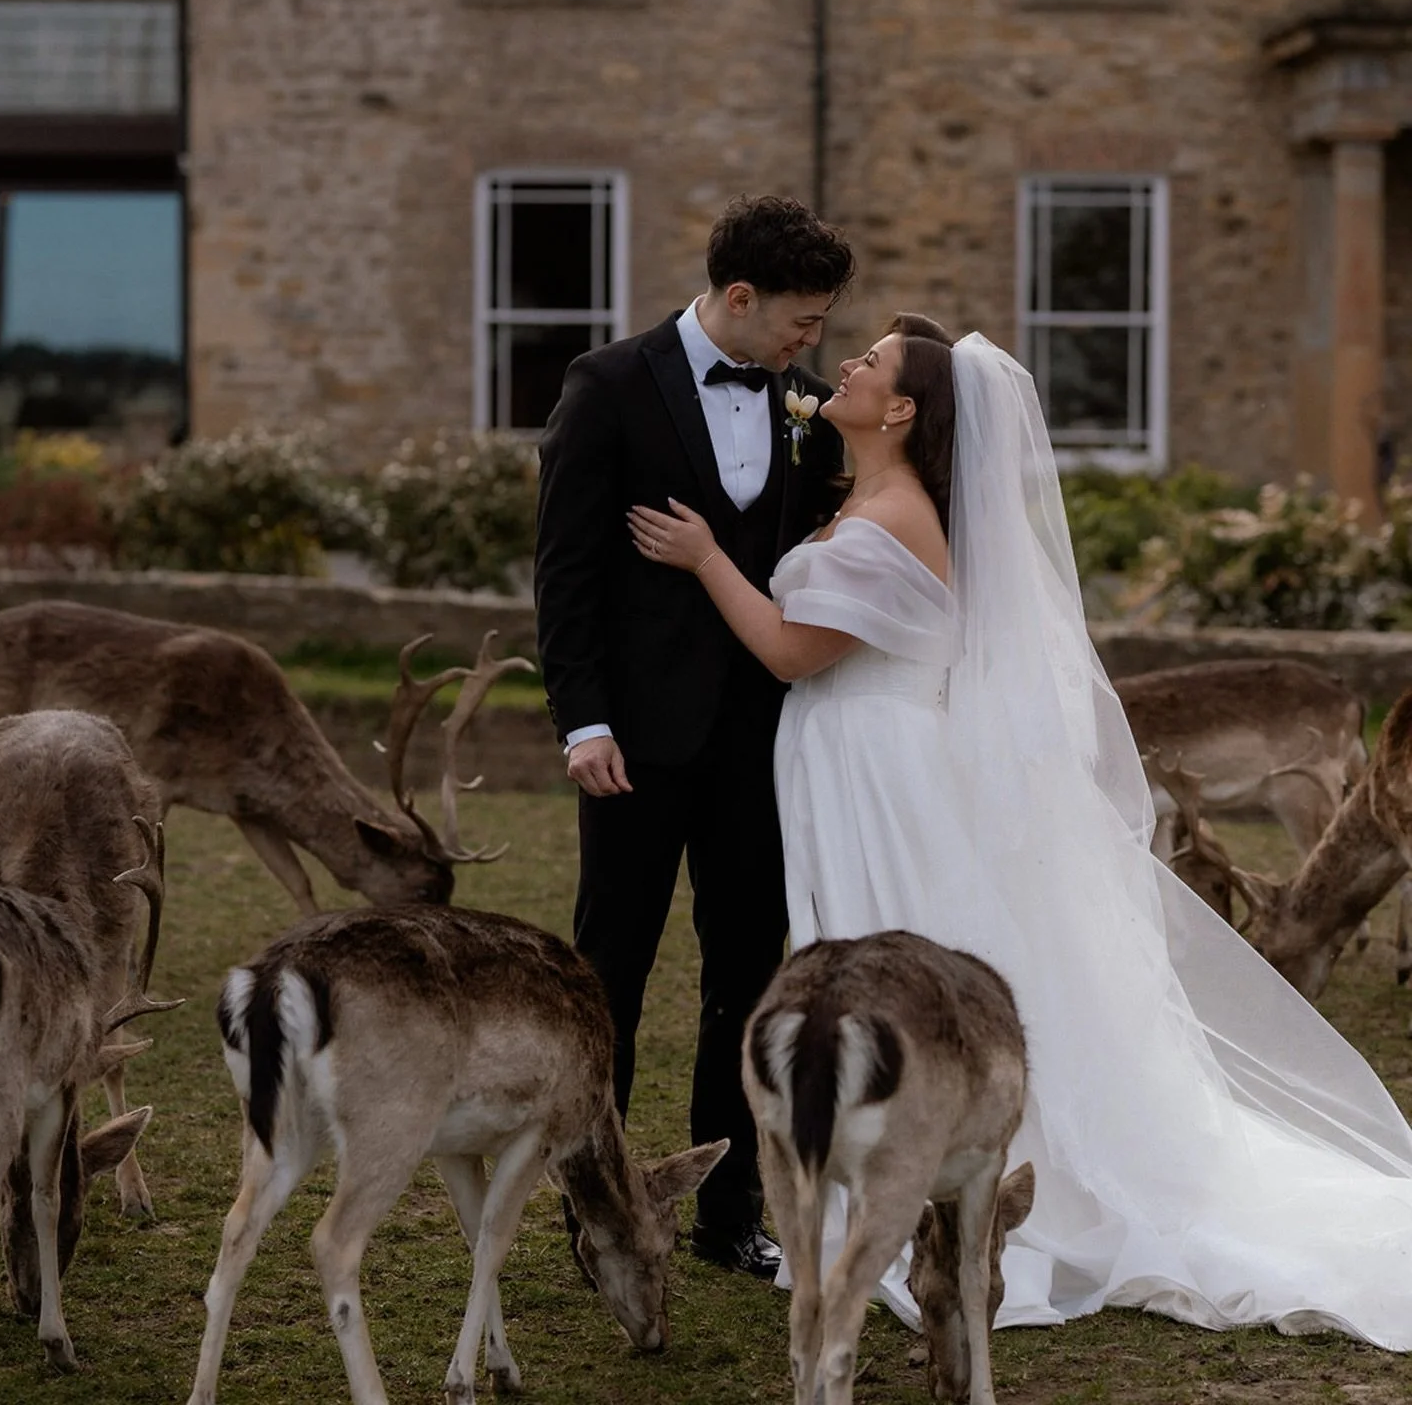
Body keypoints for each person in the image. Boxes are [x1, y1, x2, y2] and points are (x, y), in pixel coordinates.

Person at [630, 317, 1412, 1347]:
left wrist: (701, 558)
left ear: (902, 409)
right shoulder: (866, 494)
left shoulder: (899, 512)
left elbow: (788, 651)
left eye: (869, 363)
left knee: (896, 962)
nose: (848, 366)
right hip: (851, 759)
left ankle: (960, 1184)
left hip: (880, 770)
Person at [535, 193, 854, 1276]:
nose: (812, 342)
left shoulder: (810, 408)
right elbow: (567, 572)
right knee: (607, 971)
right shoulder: (609, 385)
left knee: (749, 971)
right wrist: (581, 719)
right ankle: (594, 1207)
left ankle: (729, 1215)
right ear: (739, 295)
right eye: (801, 319)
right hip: (627, 740)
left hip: (763, 742)